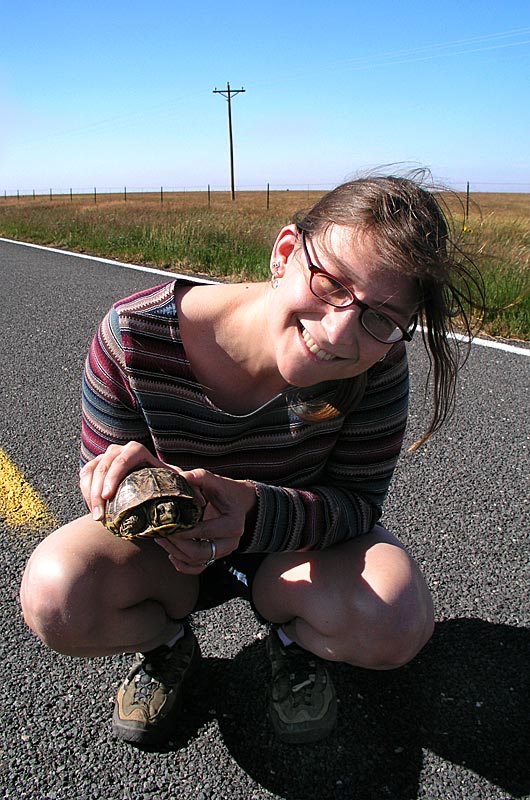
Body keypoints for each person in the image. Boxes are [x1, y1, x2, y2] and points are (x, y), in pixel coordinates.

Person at [20, 171, 484, 748]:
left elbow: (356, 504)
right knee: (57, 595)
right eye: (331, 282)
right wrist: (131, 481)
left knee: (397, 620)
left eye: (382, 317)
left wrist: (254, 511)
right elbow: (106, 494)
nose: (340, 332)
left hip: (292, 552)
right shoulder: (132, 337)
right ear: (285, 253)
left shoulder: (377, 363)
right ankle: (167, 643)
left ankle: (291, 641)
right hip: (171, 553)